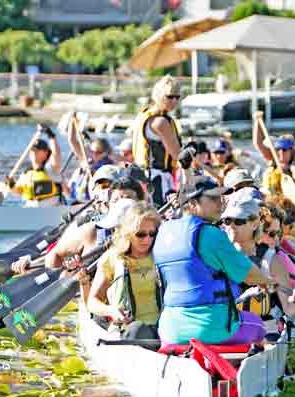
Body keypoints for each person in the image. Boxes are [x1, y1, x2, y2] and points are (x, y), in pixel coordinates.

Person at [153, 177, 271, 348]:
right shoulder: (210, 234)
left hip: (169, 330)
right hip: (211, 328)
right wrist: (268, 282)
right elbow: (250, 276)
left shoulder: (163, 232)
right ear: (192, 203)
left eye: (220, 198)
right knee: (258, 324)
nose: (220, 203)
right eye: (213, 198)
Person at [220, 197, 295, 319]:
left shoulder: (274, 260)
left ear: (255, 225)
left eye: (239, 221)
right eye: (227, 221)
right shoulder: (215, 251)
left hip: (260, 327)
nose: (276, 240)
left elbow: (290, 310)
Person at [84, 202, 161, 339]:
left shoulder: (162, 253)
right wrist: (110, 310)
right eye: (141, 234)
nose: (147, 239)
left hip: (162, 327)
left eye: (152, 233)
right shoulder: (112, 258)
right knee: (137, 330)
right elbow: (92, 302)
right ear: (128, 233)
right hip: (128, 330)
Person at [132, 75, 181, 206]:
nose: (174, 101)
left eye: (177, 97)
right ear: (159, 95)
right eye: (170, 96)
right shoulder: (161, 122)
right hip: (156, 179)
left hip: (140, 176)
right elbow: (177, 155)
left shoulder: (145, 114)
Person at [6, 125, 62, 207]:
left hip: (50, 209)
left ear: (46, 153)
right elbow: (19, 191)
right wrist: (11, 185)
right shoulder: (26, 173)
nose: (34, 153)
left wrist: (51, 135)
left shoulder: (51, 169)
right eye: (32, 151)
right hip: (30, 209)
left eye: (37, 150)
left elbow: (56, 154)